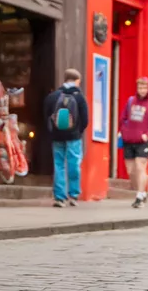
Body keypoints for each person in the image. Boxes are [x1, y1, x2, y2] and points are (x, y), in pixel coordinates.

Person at [44, 68, 88, 207]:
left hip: (57, 137)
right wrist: (78, 131)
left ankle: (59, 197)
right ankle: (74, 195)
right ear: (77, 81)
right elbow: (85, 119)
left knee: (59, 165)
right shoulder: (79, 97)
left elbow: (46, 115)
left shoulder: (53, 96)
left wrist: (53, 131)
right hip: (74, 137)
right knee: (74, 164)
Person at [119, 77, 148, 209]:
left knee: (140, 167)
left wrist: (147, 135)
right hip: (128, 140)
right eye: (140, 88)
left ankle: (139, 196)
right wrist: (123, 131)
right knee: (131, 171)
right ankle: (142, 192)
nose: (142, 90)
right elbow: (123, 118)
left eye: (144, 88)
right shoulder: (131, 101)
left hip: (143, 142)